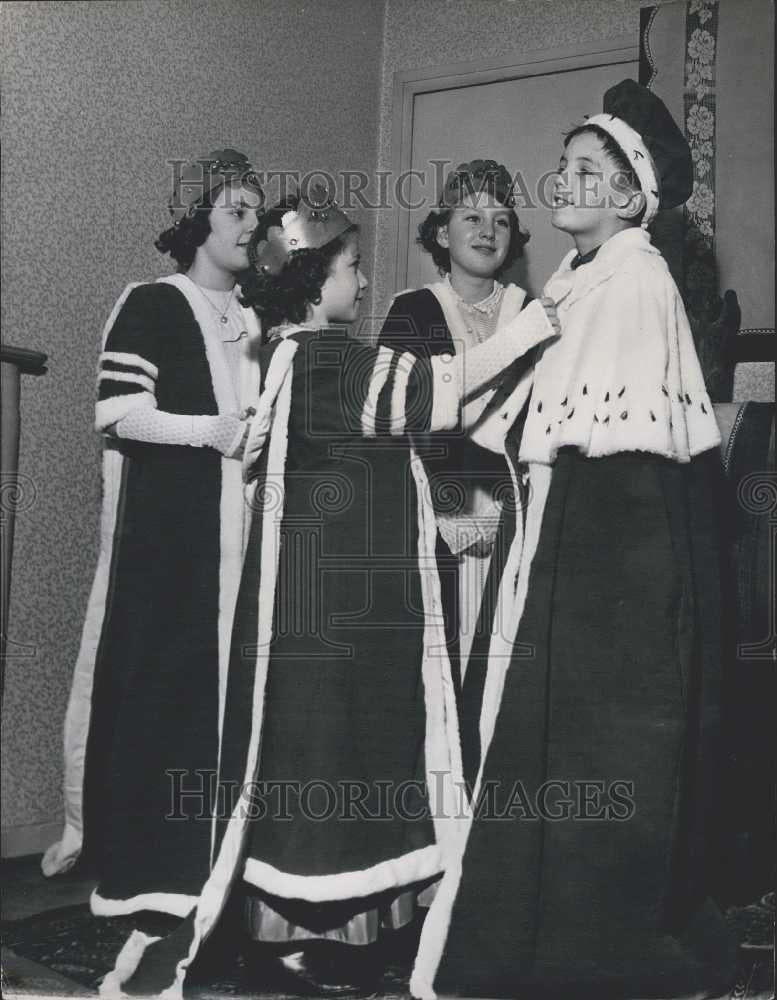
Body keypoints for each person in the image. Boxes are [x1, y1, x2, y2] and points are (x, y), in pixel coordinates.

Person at [98, 186, 559, 997]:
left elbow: (435, 420)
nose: (362, 281)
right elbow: (434, 393)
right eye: (349, 267)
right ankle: (311, 939)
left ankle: (323, 928)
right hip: (342, 623)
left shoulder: (287, 358)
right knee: (338, 762)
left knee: (333, 763)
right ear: (312, 281)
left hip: (320, 614)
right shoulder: (327, 358)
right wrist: (530, 328)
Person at [411, 80, 739, 1000]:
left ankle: (582, 942)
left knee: (597, 747)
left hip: (607, 565)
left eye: (588, 170)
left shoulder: (632, 279)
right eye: (563, 164)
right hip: (568, 544)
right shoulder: (577, 278)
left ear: (631, 198)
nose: (563, 179)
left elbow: (622, 465)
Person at [42, 150, 264, 927]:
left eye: (256, 211)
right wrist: (217, 432)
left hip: (241, 551)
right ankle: (148, 881)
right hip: (170, 546)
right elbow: (119, 412)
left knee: (226, 705)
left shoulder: (256, 320)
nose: (251, 223)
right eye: (235, 209)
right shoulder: (153, 302)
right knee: (164, 700)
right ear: (196, 221)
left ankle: (217, 878)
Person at [379, 160, 533, 690]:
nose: (488, 231)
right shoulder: (411, 310)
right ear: (442, 232)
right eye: (471, 217)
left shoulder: (529, 312)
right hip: (434, 518)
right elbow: (402, 419)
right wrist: (454, 507)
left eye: (502, 220)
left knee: (502, 669)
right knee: (439, 667)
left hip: (517, 514)